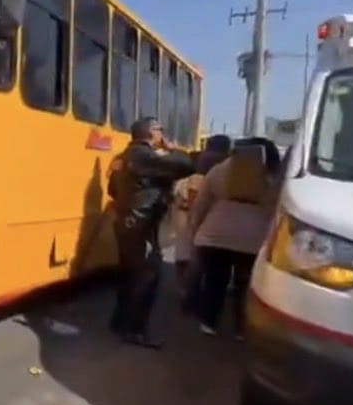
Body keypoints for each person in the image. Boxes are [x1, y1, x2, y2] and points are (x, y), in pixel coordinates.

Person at [107, 116, 196, 348]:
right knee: (148, 276)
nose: (162, 134)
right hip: (142, 224)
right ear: (149, 132)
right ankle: (135, 331)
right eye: (159, 129)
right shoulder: (146, 156)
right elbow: (186, 165)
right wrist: (172, 149)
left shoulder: (122, 157)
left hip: (126, 222)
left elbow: (112, 189)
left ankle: (119, 322)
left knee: (128, 274)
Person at [188, 136, 282, 340]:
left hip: (214, 235)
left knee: (215, 280)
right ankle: (241, 328)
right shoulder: (274, 177)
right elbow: (277, 211)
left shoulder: (219, 170)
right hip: (253, 240)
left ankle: (208, 322)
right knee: (244, 285)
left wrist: (195, 228)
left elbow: (201, 203)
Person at [176, 134, 233, 313]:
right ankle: (194, 298)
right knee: (204, 263)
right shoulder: (227, 164)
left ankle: (187, 295)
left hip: (192, 214)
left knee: (190, 258)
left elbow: (193, 192)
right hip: (211, 217)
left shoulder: (200, 160)